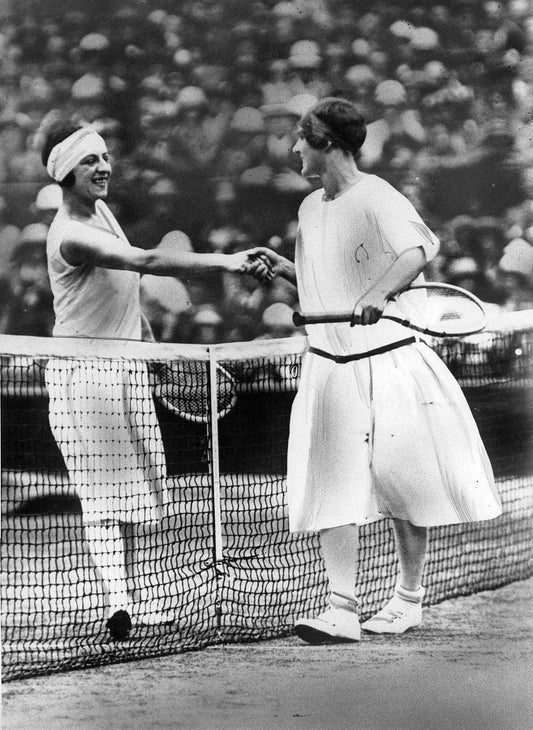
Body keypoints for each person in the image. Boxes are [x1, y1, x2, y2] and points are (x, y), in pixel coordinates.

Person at [252, 97, 502, 643]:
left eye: (301, 137)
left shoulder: (378, 194)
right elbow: (325, 288)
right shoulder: (310, 209)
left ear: (329, 145)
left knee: (402, 484)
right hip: (330, 368)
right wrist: (285, 271)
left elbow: (417, 249)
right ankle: (341, 608)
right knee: (330, 484)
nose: (293, 147)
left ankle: (407, 599)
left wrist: (379, 291)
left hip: (388, 363)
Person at [40, 122, 272, 641]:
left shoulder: (100, 210)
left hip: (126, 365)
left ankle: (130, 600)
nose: (103, 167)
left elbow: (130, 284)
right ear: (64, 174)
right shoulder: (70, 234)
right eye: (88, 162)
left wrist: (152, 349)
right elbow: (144, 260)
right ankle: (118, 603)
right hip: (84, 376)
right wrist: (227, 261)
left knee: (130, 496)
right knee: (101, 498)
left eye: (104, 157)